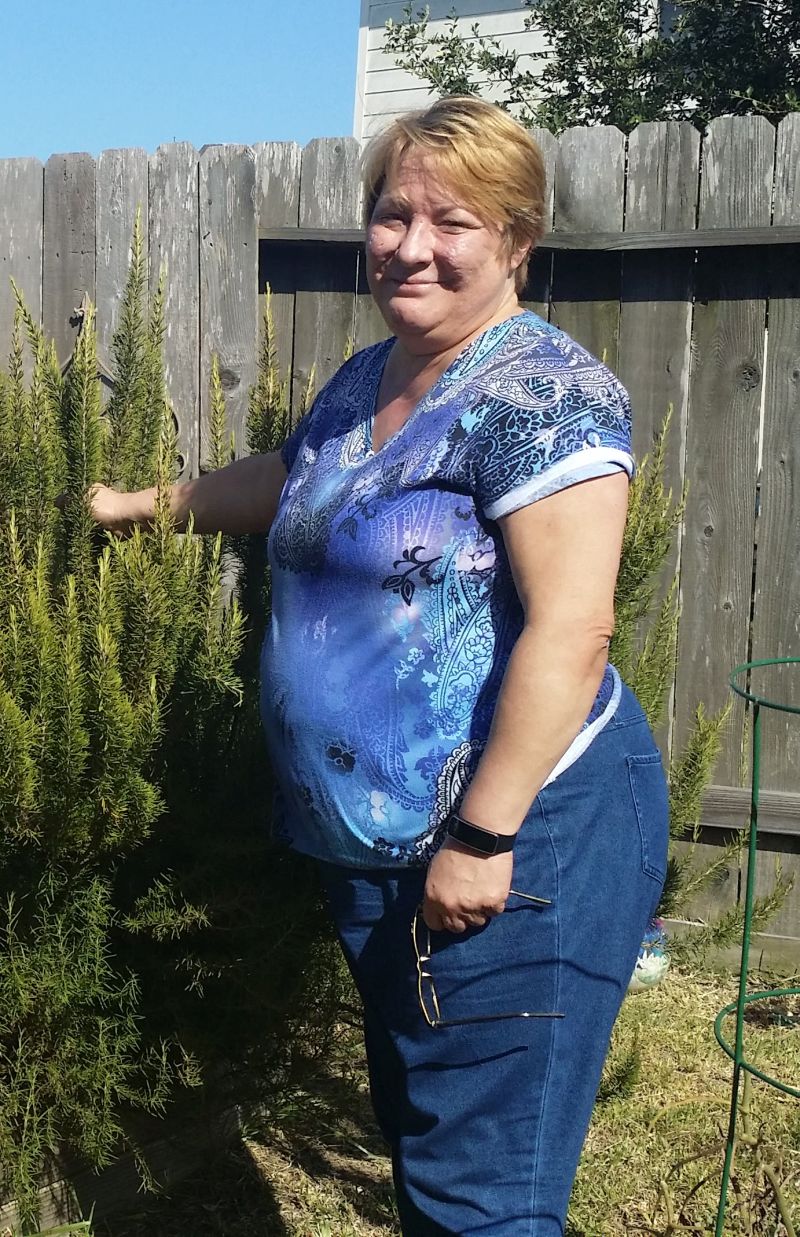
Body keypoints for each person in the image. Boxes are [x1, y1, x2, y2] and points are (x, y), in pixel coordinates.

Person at [91, 97, 669, 1236]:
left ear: (517, 240)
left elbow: (572, 630)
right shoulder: (371, 378)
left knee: (482, 1191)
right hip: (378, 849)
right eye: (392, 214)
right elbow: (295, 477)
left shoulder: (543, 396)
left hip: (515, 844)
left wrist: (482, 839)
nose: (411, 245)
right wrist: (141, 505)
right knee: (428, 1135)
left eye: (452, 221)